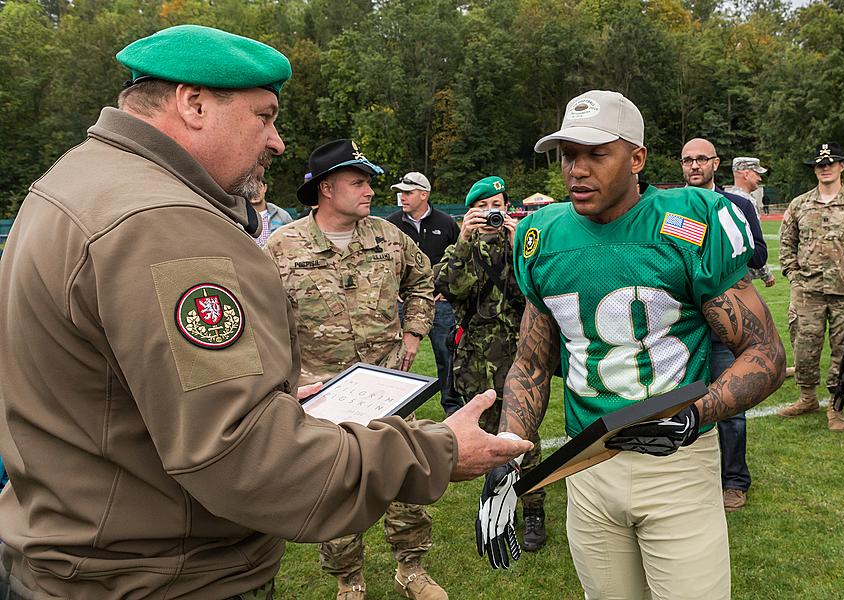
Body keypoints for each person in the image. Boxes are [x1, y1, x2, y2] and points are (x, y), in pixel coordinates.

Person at [0, 26, 531, 600]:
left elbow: (129, 390)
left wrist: (271, 393)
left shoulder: (76, 180)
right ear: (194, 103)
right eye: (265, 116)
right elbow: (241, 454)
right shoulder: (163, 223)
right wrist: (438, 451)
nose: (277, 142)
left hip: (87, 555)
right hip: (158, 577)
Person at [476, 90, 785, 599]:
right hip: (587, 463)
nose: (577, 169)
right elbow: (530, 365)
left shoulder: (688, 222)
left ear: (636, 158)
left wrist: (693, 414)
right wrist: (508, 455)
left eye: (596, 154)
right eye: (568, 154)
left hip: (677, 463)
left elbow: (766, 355)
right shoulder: (541, 234)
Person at [265, 140, 445, 600]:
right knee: (338, 484)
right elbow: (261, 317)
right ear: (327, 188)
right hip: (322, 390)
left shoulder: (388, 236)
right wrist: (288, 378)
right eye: (359, 182)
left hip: (387, 383)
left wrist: (413, 332)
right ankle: (349, 580)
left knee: (403, 471)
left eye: (368, 182)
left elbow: (423, 278)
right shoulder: (282, 247)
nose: (370, 191)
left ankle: (411, 569)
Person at [434, 176, 548, 552]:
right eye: (481, 208)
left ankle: (533, 510)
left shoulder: (520, 245)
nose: (489, 214)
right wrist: (464, 240)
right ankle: (497, 506)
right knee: (484, 441)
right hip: (476, 364)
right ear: (470, 213)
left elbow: (529, 294)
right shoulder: (461, 249)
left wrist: (519, 249)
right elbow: (452, 289)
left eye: (495, 205)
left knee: (524, 438)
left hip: (519, 359)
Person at [680, 140, 771, 513]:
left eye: (701, 159)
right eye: (687, 160)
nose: (694, 165)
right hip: (682, 325)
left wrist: (724, 241)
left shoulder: (739, 205)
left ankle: (734, 480)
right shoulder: (669, 206)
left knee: (730, 406)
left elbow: (760, 254)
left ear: (715, 163)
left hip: (723, 326)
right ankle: (687, 480)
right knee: (678, 404)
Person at [778, 142, 844, 431]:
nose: (825, 168)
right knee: (804, 346)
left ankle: (836, 406)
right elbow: (787, 243)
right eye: (820, 164)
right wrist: (793, 275)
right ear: (815, 169)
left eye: (831, 162)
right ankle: (807, 397)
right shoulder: (799, 205)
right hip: (808, 292)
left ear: (842, 166)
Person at [387, 172, 464, 416]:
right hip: (402, 303)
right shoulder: (390, 224)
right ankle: (395, 409)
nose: (402, 197)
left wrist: (446, 289)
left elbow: (460, 258)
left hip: (440, 303)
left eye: (408, 192)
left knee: (447, 355)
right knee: (396, 358)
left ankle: (452, 407)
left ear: (424, 194)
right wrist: (395, 289)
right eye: (401, 192)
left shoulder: (447, 223)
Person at [725, 156, 777, 287]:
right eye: (757, 173)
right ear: (746, 174)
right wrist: (765, 273)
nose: (759, 178)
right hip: (741, 275)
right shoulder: (744, 202)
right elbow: (749, 242)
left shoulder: (726, 198)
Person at [249, 180, 294, 247]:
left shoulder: (282, 215)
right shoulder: (238, 219)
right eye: (250, 188)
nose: (255, 191)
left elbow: (292, 241)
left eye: (259, 187)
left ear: (265, 188)